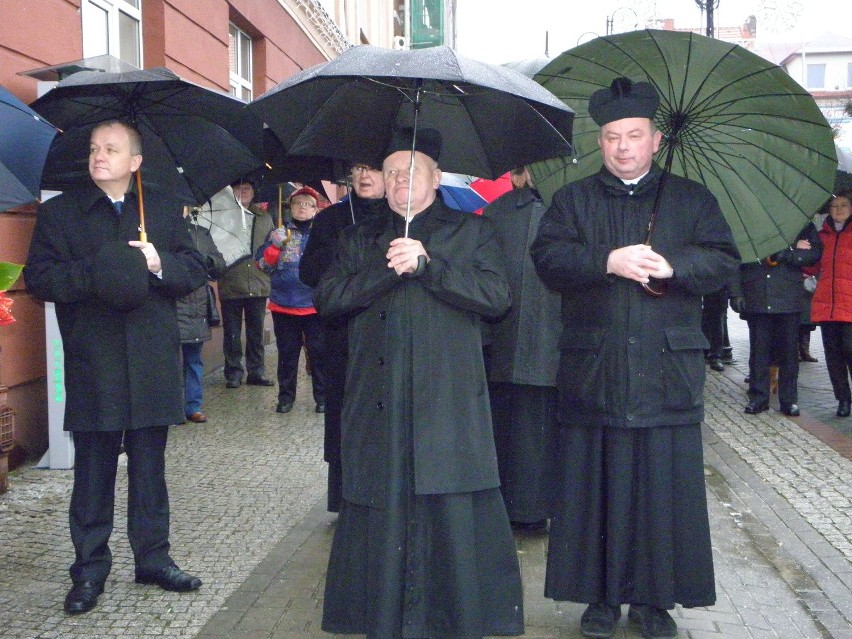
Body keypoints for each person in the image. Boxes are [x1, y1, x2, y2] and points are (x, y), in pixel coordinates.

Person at [530, 78, 740, 639]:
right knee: (591, 488)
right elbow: (548, 260)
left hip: (664, 373)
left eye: (634, 136)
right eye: (612, 137)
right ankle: (598, 599)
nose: (623, 147)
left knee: (660, 490)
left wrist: (673, 266)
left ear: (654, 139)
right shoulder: (572, 200)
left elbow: (723, 261)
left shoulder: (692, 199)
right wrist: (607, 261)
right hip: (594, 370)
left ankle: (654, 601)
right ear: (600, 142)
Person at [315, 127, 524, 638]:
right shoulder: (358, 236)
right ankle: (383, 616)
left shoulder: (471, 231)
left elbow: (496, 298)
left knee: (449, 503)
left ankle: (453, 616)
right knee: (381, 502)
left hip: (448, 396)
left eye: (411, 170)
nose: (398, 180)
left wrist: (429, 265)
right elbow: (330, 300)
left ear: (435, 177)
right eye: (390, 172)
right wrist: (388, 270)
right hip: (378, 397)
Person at [24, 120, 207, 615]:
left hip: (150, 358)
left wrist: (155, 263)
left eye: (111, 149)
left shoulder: (164, 209)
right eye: (93, 149)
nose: (98, 156)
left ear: (135, 162)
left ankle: (153, 559)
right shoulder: (60, 212)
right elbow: (39, 278)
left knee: (151, 468)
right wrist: (98, 271)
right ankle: (88, 571)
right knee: (93, 470)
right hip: (93, 358)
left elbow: (194, 271)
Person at [300, 161, 386, 513]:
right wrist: (344, 247)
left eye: (374, 169)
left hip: (382, 331)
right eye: (358, 169)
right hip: (341, 333)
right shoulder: (331, 220)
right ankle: (343, 495)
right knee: (343, 414)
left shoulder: (398, 217)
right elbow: (308, 272)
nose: (365, 176)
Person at [482, 166, 560, 532]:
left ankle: (538, 507)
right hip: (505, 336)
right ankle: (510, 506)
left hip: (554, 337)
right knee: (509, 425)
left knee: (543, 427)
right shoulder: (499, 211)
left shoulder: (569, 206)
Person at [730, 222, 822, 417]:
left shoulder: (800, 224)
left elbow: (814, 254)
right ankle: (758, 398)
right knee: (759, 353)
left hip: (787, 297)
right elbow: (734, 259)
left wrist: (788, 254)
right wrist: (735, 293)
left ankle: (789, 400)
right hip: (757, 294)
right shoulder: (745, 224)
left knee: (789, 353)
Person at [256, 186, 326, 414]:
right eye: (299, 203)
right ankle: (286, 398)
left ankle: (322, 398)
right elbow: (264, 266)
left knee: (318, 354)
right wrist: (275, 246)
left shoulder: (323, 232)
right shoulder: (279, 232)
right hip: (283, 305)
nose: (303, 208)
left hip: (315, 306)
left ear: (316, 209)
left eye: (308, 204)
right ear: (291, 207)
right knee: (287, 355)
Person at [218, 178, 275, 389]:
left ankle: (256, 371)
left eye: (247, 188)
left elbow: (270, 248)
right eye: (238, 188)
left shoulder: (264, 218)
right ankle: (233, 372)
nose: (243, 192)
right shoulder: (222, 218)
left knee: (256, 332)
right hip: (231, 280)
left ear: (253, 192)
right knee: (232, 332)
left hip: (258, 282)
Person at [177, 209, 226, 423]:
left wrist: (203, 259)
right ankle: (171, 408)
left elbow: (219, 263)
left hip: (195, 304)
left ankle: (193, 406)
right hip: (168, 302)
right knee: (167, 362)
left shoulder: (200, 233)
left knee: (193, 360)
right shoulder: (153, 231)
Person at [810, 189, 852, 417]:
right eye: (835, 206)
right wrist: (803, 252)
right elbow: (810, 268)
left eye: (843, 205)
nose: (838, 210)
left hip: (849, 306)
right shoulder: (821, 236)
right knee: (833, 356)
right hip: (827, 306)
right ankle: (843, 399)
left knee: (850, 350)